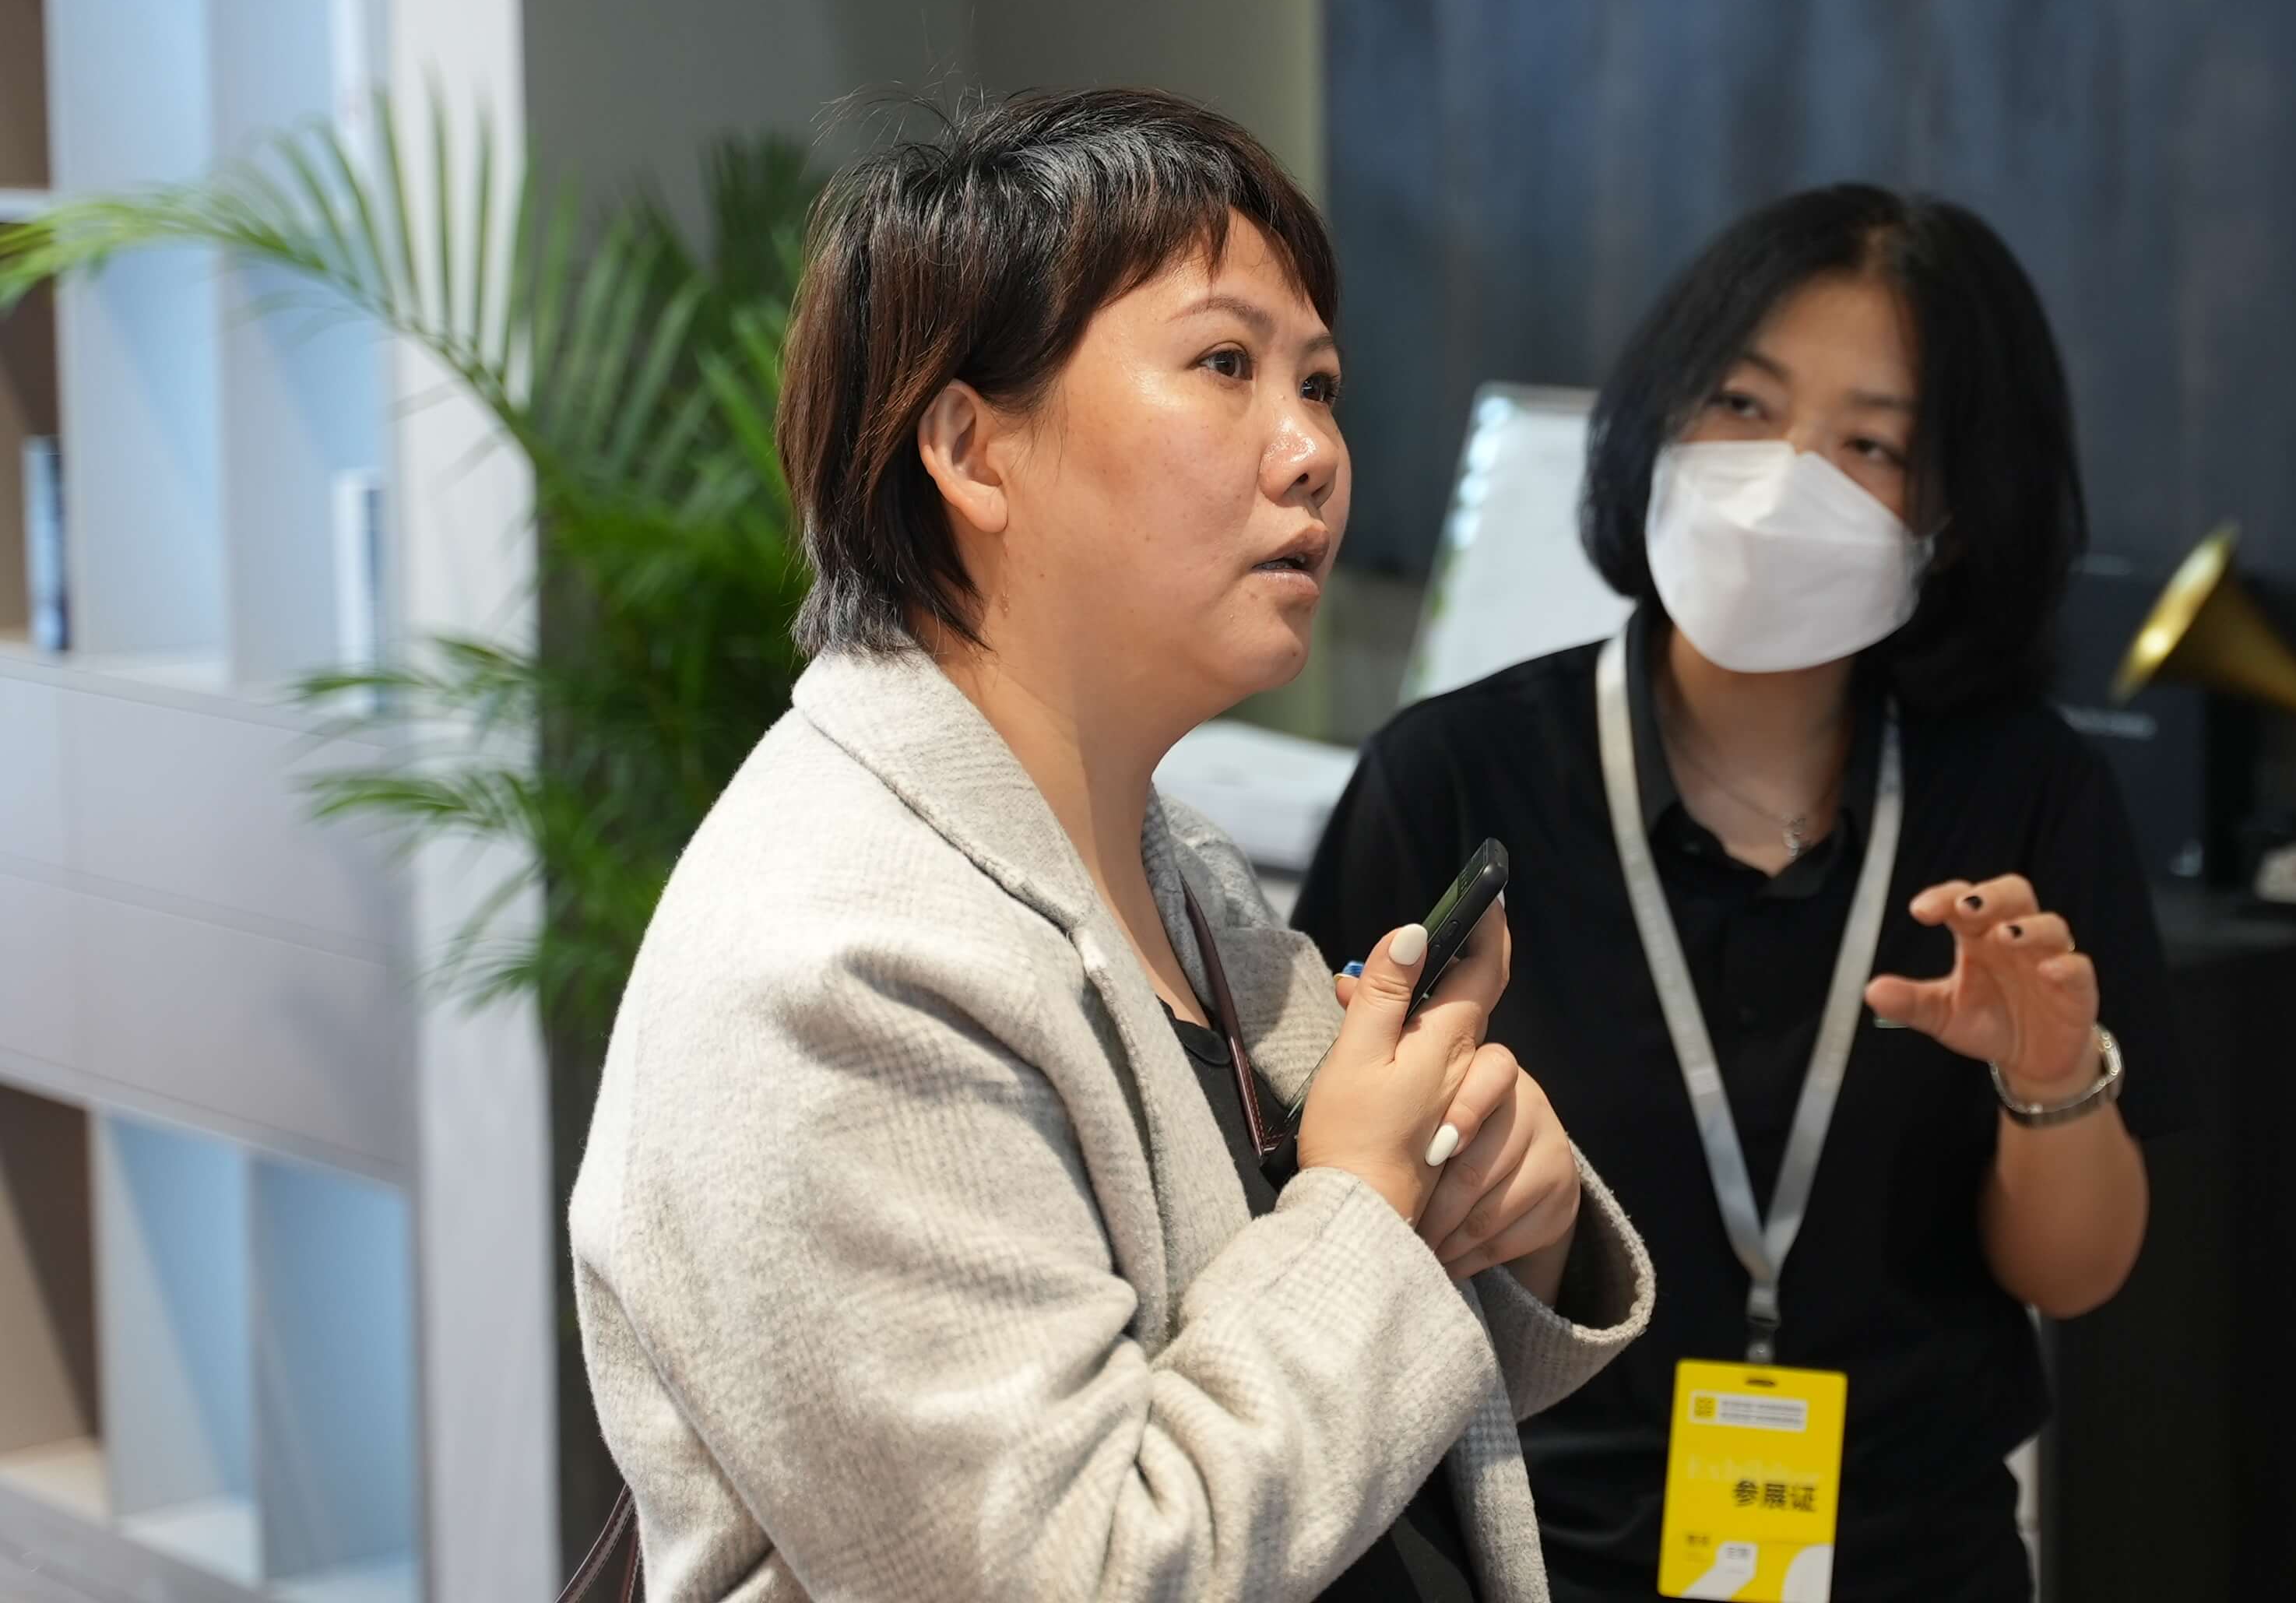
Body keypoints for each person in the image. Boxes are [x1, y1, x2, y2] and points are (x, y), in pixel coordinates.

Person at [568, 89, 1653, 1603]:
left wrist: (1491, 1206)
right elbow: (1065, 1571)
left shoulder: (1172, 864)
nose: (1313, 452)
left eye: (1320, 383)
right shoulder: (830, 967)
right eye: (1225, 366)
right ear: (972, 450)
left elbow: (1305, 1344)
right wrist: (1363, 1198)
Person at [1296, 185, 2179, 1601]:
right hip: (1535, 1565)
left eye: (1872, 444)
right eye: (1744, 405)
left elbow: (2072, 1276)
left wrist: (2050, 1076)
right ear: (1659, 421)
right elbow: (1324, 1226)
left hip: (1916, 1567)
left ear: (1953, 515)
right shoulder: (1456, 779)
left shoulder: (2023, 796)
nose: (1785, 478)